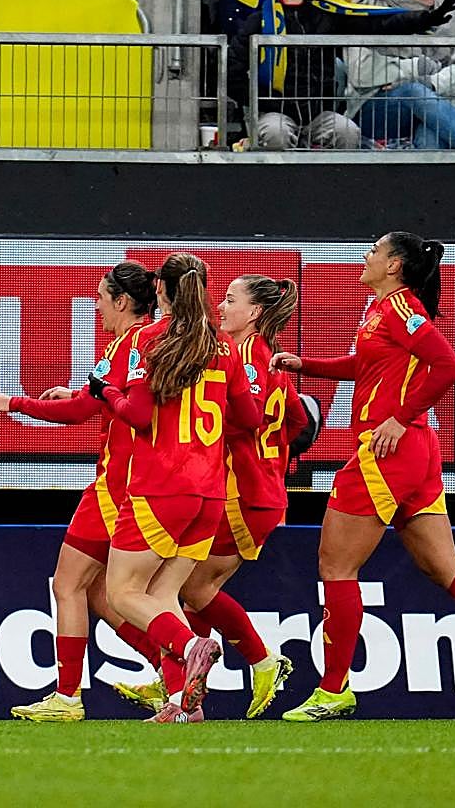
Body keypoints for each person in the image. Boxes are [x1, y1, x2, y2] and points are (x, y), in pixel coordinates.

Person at [271, 232, 455, 721]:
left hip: (387, 451)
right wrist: (307, 365)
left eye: (375, 251)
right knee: (444, 566)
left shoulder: (402, 310)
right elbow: (365, 366)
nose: (366, 257)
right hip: (416, 453)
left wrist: (399, 417)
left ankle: (333, 690)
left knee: (337, 568)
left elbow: (448, 365)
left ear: (395, 264)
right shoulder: (382, 310)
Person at [0, 261, 166, 723]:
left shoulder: (134, 343)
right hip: (138, 485)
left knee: (67, 584)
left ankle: (68, 697)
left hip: (116, 487)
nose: (97, 304)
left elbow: (91, 411)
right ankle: (173, 676)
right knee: (101, 593)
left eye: (102, 296)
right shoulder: (134, 341)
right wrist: (79, 395)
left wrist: (13, 402)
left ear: (122, 301)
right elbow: (92, 403)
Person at [115, 274, 309, 719]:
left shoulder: (242, 353)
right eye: (218, 297)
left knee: (188, 587)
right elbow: (296, 420)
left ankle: (257, 661)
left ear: (254, 312)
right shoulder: (260, 356)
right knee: (178, 589)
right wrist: (275, 460)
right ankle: (181, 691)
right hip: (250, 487)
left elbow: (248, 418)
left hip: (237, 491)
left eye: (230, 299)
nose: (221, 306)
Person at [91, 252, 262, 723]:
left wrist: (103, 390)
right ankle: (181, 704)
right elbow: (249, 419)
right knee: (164, 595)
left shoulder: (153, 339)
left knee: (122, 592)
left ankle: (191, 646)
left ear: (161, 292)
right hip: (209, 493)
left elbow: (138, 414)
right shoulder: (223, 346)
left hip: (161, 486)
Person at [228, 0, 455, 150]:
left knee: (347, 131)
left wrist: (424, 20)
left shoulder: (328, 11)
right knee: (275, 132)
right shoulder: (257, 22)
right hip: (274, 111)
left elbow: (376, 23)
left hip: (317, 113)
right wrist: (264, 102)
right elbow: (233, 73)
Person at [346, 0, 455, 150]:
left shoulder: (448, 7)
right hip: (379, 110)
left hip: (441, 103)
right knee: (414, 91)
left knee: (432, 129)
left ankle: (428, 176)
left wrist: (433, 83)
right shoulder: (366, 11)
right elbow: (362, 72)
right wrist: (418, 68)